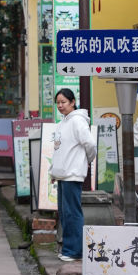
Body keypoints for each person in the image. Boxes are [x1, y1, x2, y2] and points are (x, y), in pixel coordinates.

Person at [51, 87, 96, 261]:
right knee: (65, 214)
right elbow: (59, 150)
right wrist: (54, 171)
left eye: (63, 102)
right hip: (63, 174)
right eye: (58, 103)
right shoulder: (63, 122)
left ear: (72, 102)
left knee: (72, 213)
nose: (60, 105)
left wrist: (87, 160)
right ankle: (69, 249)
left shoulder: (77, 121)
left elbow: (90, 144)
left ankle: (74, 251)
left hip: (72, 174)